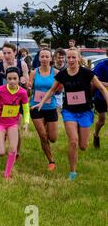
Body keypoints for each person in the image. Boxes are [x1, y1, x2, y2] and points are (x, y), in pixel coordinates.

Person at [32, 47, 108, 180]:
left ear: (79, 58)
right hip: (69, 112)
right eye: (69, 58)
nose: (71, 60)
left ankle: (80, 131)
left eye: (74, 57)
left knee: (83, 146)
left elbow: (101, 88)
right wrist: (41, 102)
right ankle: (72, 172)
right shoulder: (62, 74)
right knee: (73, 141)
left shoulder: (87, 73)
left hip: (85, 111)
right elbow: (51, 90)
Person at [28, 48, 59, 171]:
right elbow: (29, 89)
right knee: (42, 136)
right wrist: (28, 86)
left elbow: (59, 90)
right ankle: (51, 160)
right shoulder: (34, 73)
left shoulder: (56, 72)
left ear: (51, 59)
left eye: (47, 56)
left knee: (53, 138)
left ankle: (46, 128)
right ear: (39, 58)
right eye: (42, 56)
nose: (44, 59)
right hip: (35, 106)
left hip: (50, 107)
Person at [92, 52, 108, 149]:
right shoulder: (101, 65)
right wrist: (106, 84)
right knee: (102, 121)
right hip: (101, 97)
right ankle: (96, 134)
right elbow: (94, 81)